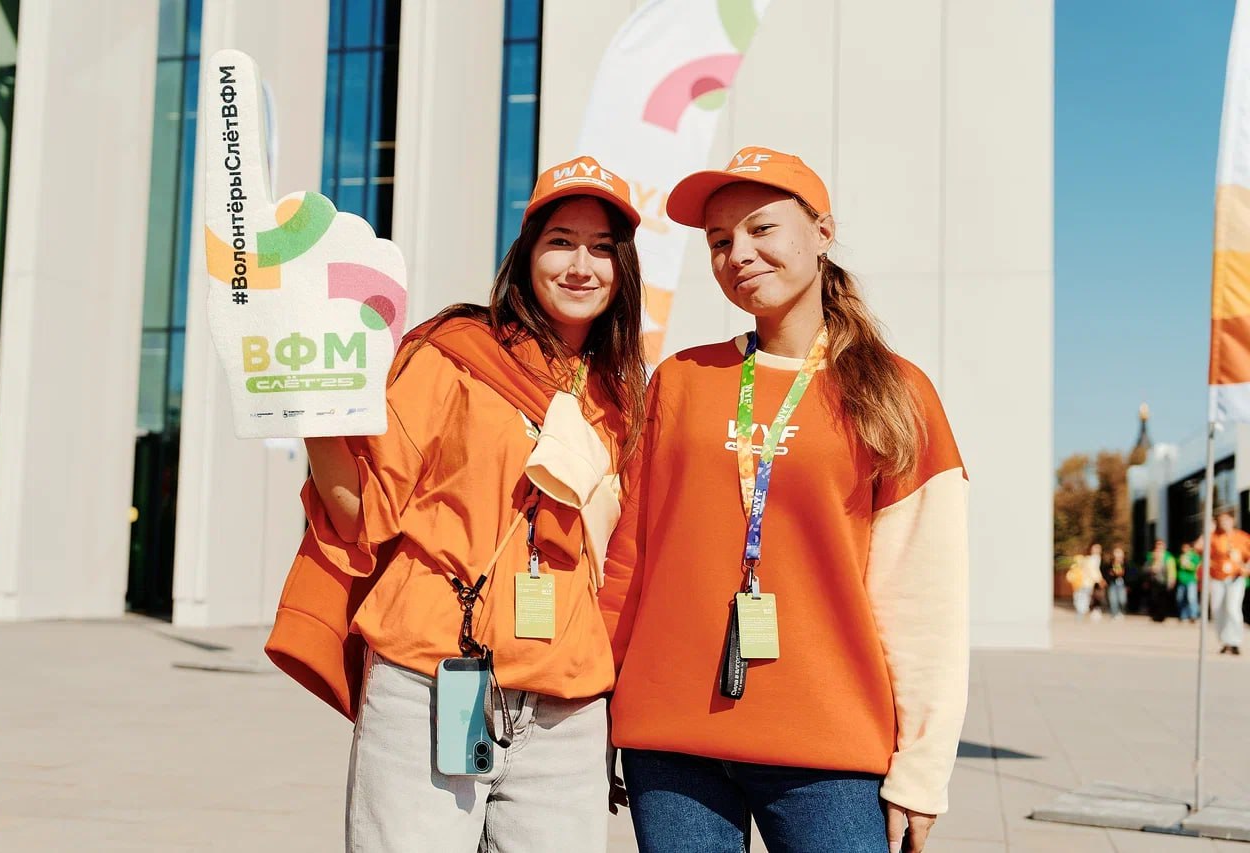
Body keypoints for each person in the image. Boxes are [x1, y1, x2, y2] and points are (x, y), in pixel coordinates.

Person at [268, 155, 647, 851]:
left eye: (601, 248)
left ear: (622, 269)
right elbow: (364, 513)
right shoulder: (453, 355)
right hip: (431, 677)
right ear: (526, 254)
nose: (580, 265)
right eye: (561, 241)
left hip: (566, 708)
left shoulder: (621, 399)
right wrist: (317, 415)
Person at [600, 147, 969, 853]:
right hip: (670, 740)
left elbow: (925, 596)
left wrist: (922, 769)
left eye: (761, 228)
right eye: (719, 241)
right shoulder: (681, 379)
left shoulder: (895, 391)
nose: (738, 253)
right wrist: (594, 713)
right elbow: (629, 560)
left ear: (823, 232)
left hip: (829, 746)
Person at [1198, 510, 1250, 655]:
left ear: (1232, 521)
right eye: (1221, 521)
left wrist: (1246, 568)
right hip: (1217, 578)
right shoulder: (1213, 537)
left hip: (1235, 578)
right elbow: (1198, 548)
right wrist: (1206, 531)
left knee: (1233, 608)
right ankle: (1225, 641)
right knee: (1217, 609)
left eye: (1226, 520)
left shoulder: (1242, 537)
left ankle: (1235, 641)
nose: (1224, 523)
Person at [1143, 539, 1176, 622]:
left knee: (1162, 599)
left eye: (1161, 545)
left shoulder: (1168, 557)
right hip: (1153, 581)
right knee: (1153, 598)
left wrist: (1172, 580)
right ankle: (1154, 615)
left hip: (1163, 581)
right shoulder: (1151, 556)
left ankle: (1161, 616)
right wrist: (1151, 568)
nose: (1159, 547)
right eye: (1157, 545)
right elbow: (1145, 568)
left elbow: (1172, 570)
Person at [1072, 544, 1104, 620]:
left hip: (1083, 582)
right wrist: (1099, 579)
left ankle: (1081, 612)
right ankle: (1082, 611)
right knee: (1084, 597)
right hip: (1086, 582)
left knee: (1081, 597)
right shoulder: (1095, 558)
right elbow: (1094, 570)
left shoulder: (1087, 559)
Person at [1176, 542, 1201, 623]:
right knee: (1180, 598)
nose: (1184, 549)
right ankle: (1183, 615)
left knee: (1191, 598)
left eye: (1186, 548)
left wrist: (1187, 564)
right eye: (1183, 548)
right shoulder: (1181, 556)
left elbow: (1196, 568)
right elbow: (1177, 566)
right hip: (1181, 580)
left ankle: (1193, 615)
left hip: (1191, 580)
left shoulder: (1194, 557)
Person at [1104, 545, 1128, 619]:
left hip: (1122, 583)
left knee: (1122, 599)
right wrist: (1111, 573)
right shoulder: (1110, 564)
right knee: (1113, 599)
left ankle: (1121, 611)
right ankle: (1114, 614)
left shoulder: (1125, 564)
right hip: (1113, 583)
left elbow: (1128, 574)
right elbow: (1107, 574)